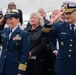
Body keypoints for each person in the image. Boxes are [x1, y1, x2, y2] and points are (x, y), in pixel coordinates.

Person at [42, 1, 76, 75]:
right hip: (62, 66)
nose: (67, 16)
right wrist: (53, 21)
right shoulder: (60, 26)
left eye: (70, 13)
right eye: (66, 13)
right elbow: (44, 34)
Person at [0, 9, 30, 75]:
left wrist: (21, 71)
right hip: (2, 67)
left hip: (14, 69)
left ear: (17, 19)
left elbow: (24, 55)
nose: (8, 21)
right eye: (7, 19)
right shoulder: (4, 31)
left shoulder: (24, 34)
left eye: (11, 19)